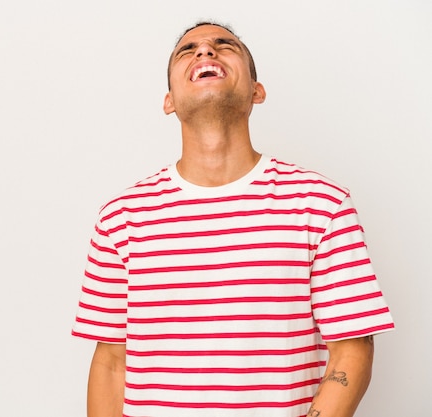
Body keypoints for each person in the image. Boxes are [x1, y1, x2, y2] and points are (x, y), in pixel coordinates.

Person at [72, 21, 394, 417]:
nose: (205, 51)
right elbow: (111, 364)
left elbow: (353, 349)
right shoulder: (120, 218)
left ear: (257, 92)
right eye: (187, 51)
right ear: (169, 99)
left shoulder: (322, 204)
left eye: (225, 46)